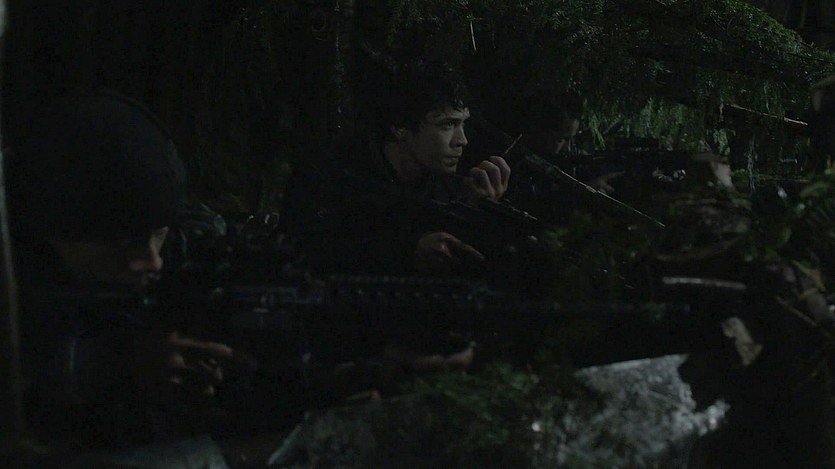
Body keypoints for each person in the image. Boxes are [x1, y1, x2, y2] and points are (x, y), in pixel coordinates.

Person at [6, 93, 251, 448]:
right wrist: (114, 366)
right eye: (119, 242)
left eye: (158, 235)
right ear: (46, 234)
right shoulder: (21, 269)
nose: (153, 262)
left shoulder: (186, 249)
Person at [282, 58, 512, 277]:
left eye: (462, 124)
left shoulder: (448, 185)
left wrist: (477, 213)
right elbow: (303, 251)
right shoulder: (334, 173)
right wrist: (405, 253)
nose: (462, 140)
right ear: (400, 127)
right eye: (447, 125)